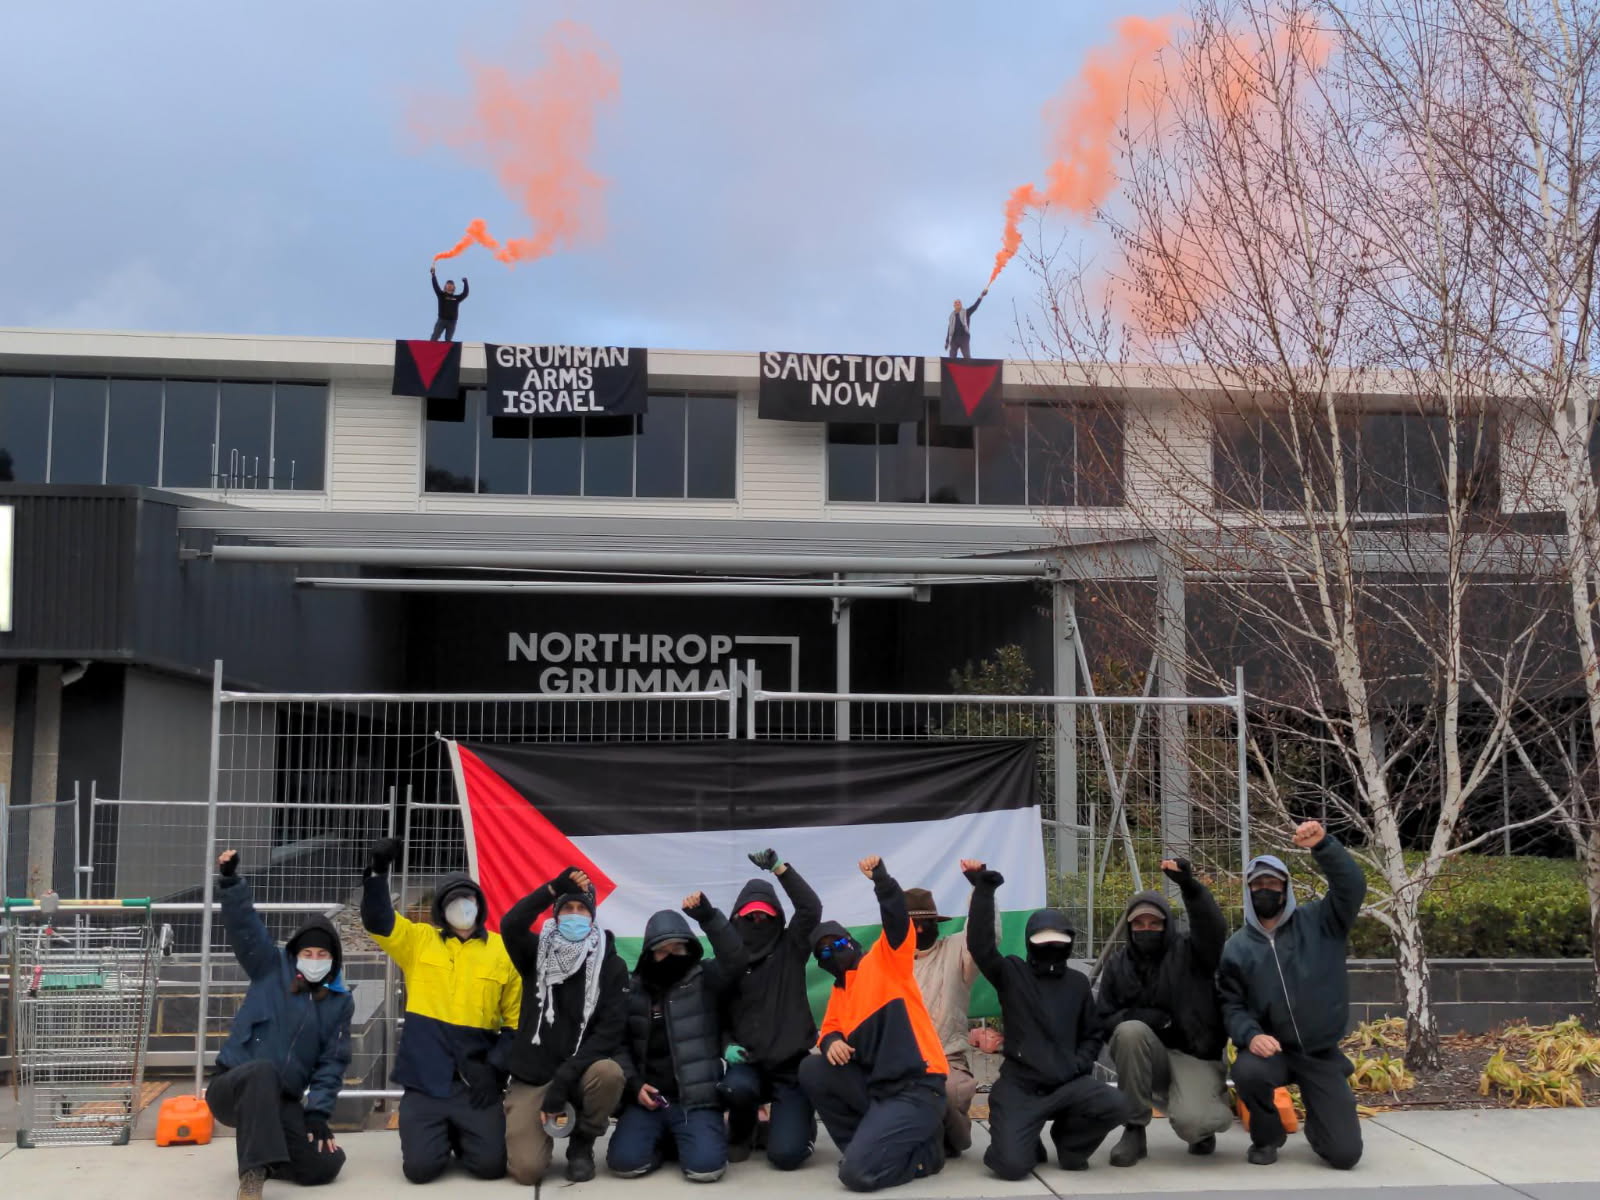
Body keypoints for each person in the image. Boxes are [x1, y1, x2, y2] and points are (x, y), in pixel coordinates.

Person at [360, 837, 521, 1183]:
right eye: (452, 901)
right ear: (440, 910)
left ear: (479, 904)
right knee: (420, 1171)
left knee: (490, 1168)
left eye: (468, 899)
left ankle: (461, 1133)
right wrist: (377, 874)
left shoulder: (502, 951)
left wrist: (493, 1070)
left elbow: (515, 1024)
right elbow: (378, 921)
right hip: (425, 1080)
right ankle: (437, 1133)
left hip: (473, 1082)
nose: (462, 906)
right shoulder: (419, 941)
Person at [962, 858, 1131, 1180]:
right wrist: (984, 889)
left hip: (1068, 1084)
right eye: (1043, 941)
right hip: (1020, 1087)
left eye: (1058, 940)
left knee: (1117, 1103)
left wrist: (1077, 1065)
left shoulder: (1078, 983)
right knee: (1011, 1166)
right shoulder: (1012, 973)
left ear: (1069, 942)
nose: (1051, 946)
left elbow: (1092, 1034)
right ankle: (1024, 1142)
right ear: (1029, 942)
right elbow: (980, 946)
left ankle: (1070, 1144)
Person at [1218, 819, 1367, 1170]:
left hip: (1320, 1053)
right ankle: (1267, 1136)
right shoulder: (1236, 948)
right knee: (1247, 1071)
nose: (1265, 890)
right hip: (1273, 1052)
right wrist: (1251, 1036)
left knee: (1345, 1155)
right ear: (1248, 891)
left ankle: (1321, 1124)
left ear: (1286, 888)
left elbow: (1352, 886)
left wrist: (1323, 846)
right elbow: (1231, 1004)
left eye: (1273, 883)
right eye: (1258, 884)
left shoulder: (1322, 921)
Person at [799, 856, 948, 1194]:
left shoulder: (884, 961)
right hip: (879, 1090)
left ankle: (925, 1157)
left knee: (856, 1177)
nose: (833, 953)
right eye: (824, 953)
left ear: (852, 942)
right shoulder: (840, 991)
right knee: (813, 1068)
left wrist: (882, 881)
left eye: (838, 944)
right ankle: (863, 1149)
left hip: (917, 1088)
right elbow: (829, 1030)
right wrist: (831, 1042)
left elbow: (896, 920)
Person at [208, 848, 351, 1200]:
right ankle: (253, 1175)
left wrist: (317, 1115)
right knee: (262, 1071)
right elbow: (245, 927)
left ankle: (270, 1159)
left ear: (333, 959)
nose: (314, 960)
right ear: (295, 954)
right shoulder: (269, 967)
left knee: (325, 1165)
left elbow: (332, 1064)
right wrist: (231, 882)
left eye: (322, 954)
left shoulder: (339, 1002)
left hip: (281, 1099)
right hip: (233, 1085)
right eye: (307, 953)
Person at [1098, 856, 1234, 1166]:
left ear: (1166, 924)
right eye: (1139, 924)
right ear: (1130, 927)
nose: (1146, 929)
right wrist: (1142, 1018)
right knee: (1129, 1032)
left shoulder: (1192, 952)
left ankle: (1207, 1106)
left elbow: (1212, 928)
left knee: (1195, 1123)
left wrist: (1190, 887)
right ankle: (1134, 1129)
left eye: (1154, 923)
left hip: (1193, 1055)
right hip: (1150, 1058)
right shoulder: (1117, 965)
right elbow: (1103, 1020)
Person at [498, 866, 628, 1186]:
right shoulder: (535, 953)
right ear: (556, 915)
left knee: (609, 1073)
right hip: (533, 1075)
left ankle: (582, 1144)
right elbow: (510, 924)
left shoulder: (611, 964)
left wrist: (565, 1079)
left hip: (579, 1072)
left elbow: (609, 1033)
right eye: (567, 908)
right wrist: (553, 889)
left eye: (581, 908)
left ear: (592, 915)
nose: (574, 914)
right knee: (527, 1172)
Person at [608, 890, 749, 1182]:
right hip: (648, 1101)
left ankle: (690, 1137)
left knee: (706, 1169)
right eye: (662, 950)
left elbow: (736, 960)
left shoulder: (706, 979)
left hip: (695, 1102)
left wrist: (708, 916)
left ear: (689, 950)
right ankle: (668, 1141)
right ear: (650, 953)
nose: (670, 956)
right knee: (625, 1165)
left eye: (677, 949)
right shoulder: (632, 990)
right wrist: (635, 1085)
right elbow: (618, 1044)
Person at [721, 848, 822, 1169]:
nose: (757, 921)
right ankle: (742, 1133)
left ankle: (800, 1126)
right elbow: (715, 1013)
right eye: (750, 917)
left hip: (790, 1069)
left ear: (777, 917)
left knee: (786, 1156)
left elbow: (810, 908)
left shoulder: (792, 947)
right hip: (747, 1065)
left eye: (764, 916)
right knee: (736, 1087)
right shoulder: (728, 959)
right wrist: (725, 1045)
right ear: (736, 919)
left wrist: (780, 869)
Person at [906, 884, 988, 1156]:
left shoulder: (955, 951)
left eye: (927, 923)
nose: (920, 930)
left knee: (948, 1091)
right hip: (899, 1062)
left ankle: (956, 1136)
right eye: (913, 924)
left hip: (947, 1059)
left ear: (937, 923)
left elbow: (983, 937)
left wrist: (981, 891)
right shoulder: (885, 959)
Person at [944, 288, 987, 359]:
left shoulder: (966, 312)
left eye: (959, 302)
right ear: (954, 305)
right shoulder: (951, 317)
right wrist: (947, 342)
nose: (957, 304)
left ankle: (969, 365)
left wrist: (981, 296)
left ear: (961, 305)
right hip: (954, 338)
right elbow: (949, 329)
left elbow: (974, 307)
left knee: (967, 356)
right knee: (951, 357)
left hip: (963, 337)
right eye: (956, 303)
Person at [429, 266, 468, 341]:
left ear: (454, 287)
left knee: (448, 340)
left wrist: (465, 282)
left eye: (451, 284)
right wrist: (433, 274)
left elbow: (465, 293)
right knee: (434, 337)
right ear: (445, 287)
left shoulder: (456, 298)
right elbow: (435, 285)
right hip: (442, 320)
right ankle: (429, 347)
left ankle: (447, 348)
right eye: (448, 284)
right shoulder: (441, 295)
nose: (450, 285)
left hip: (452, 321)